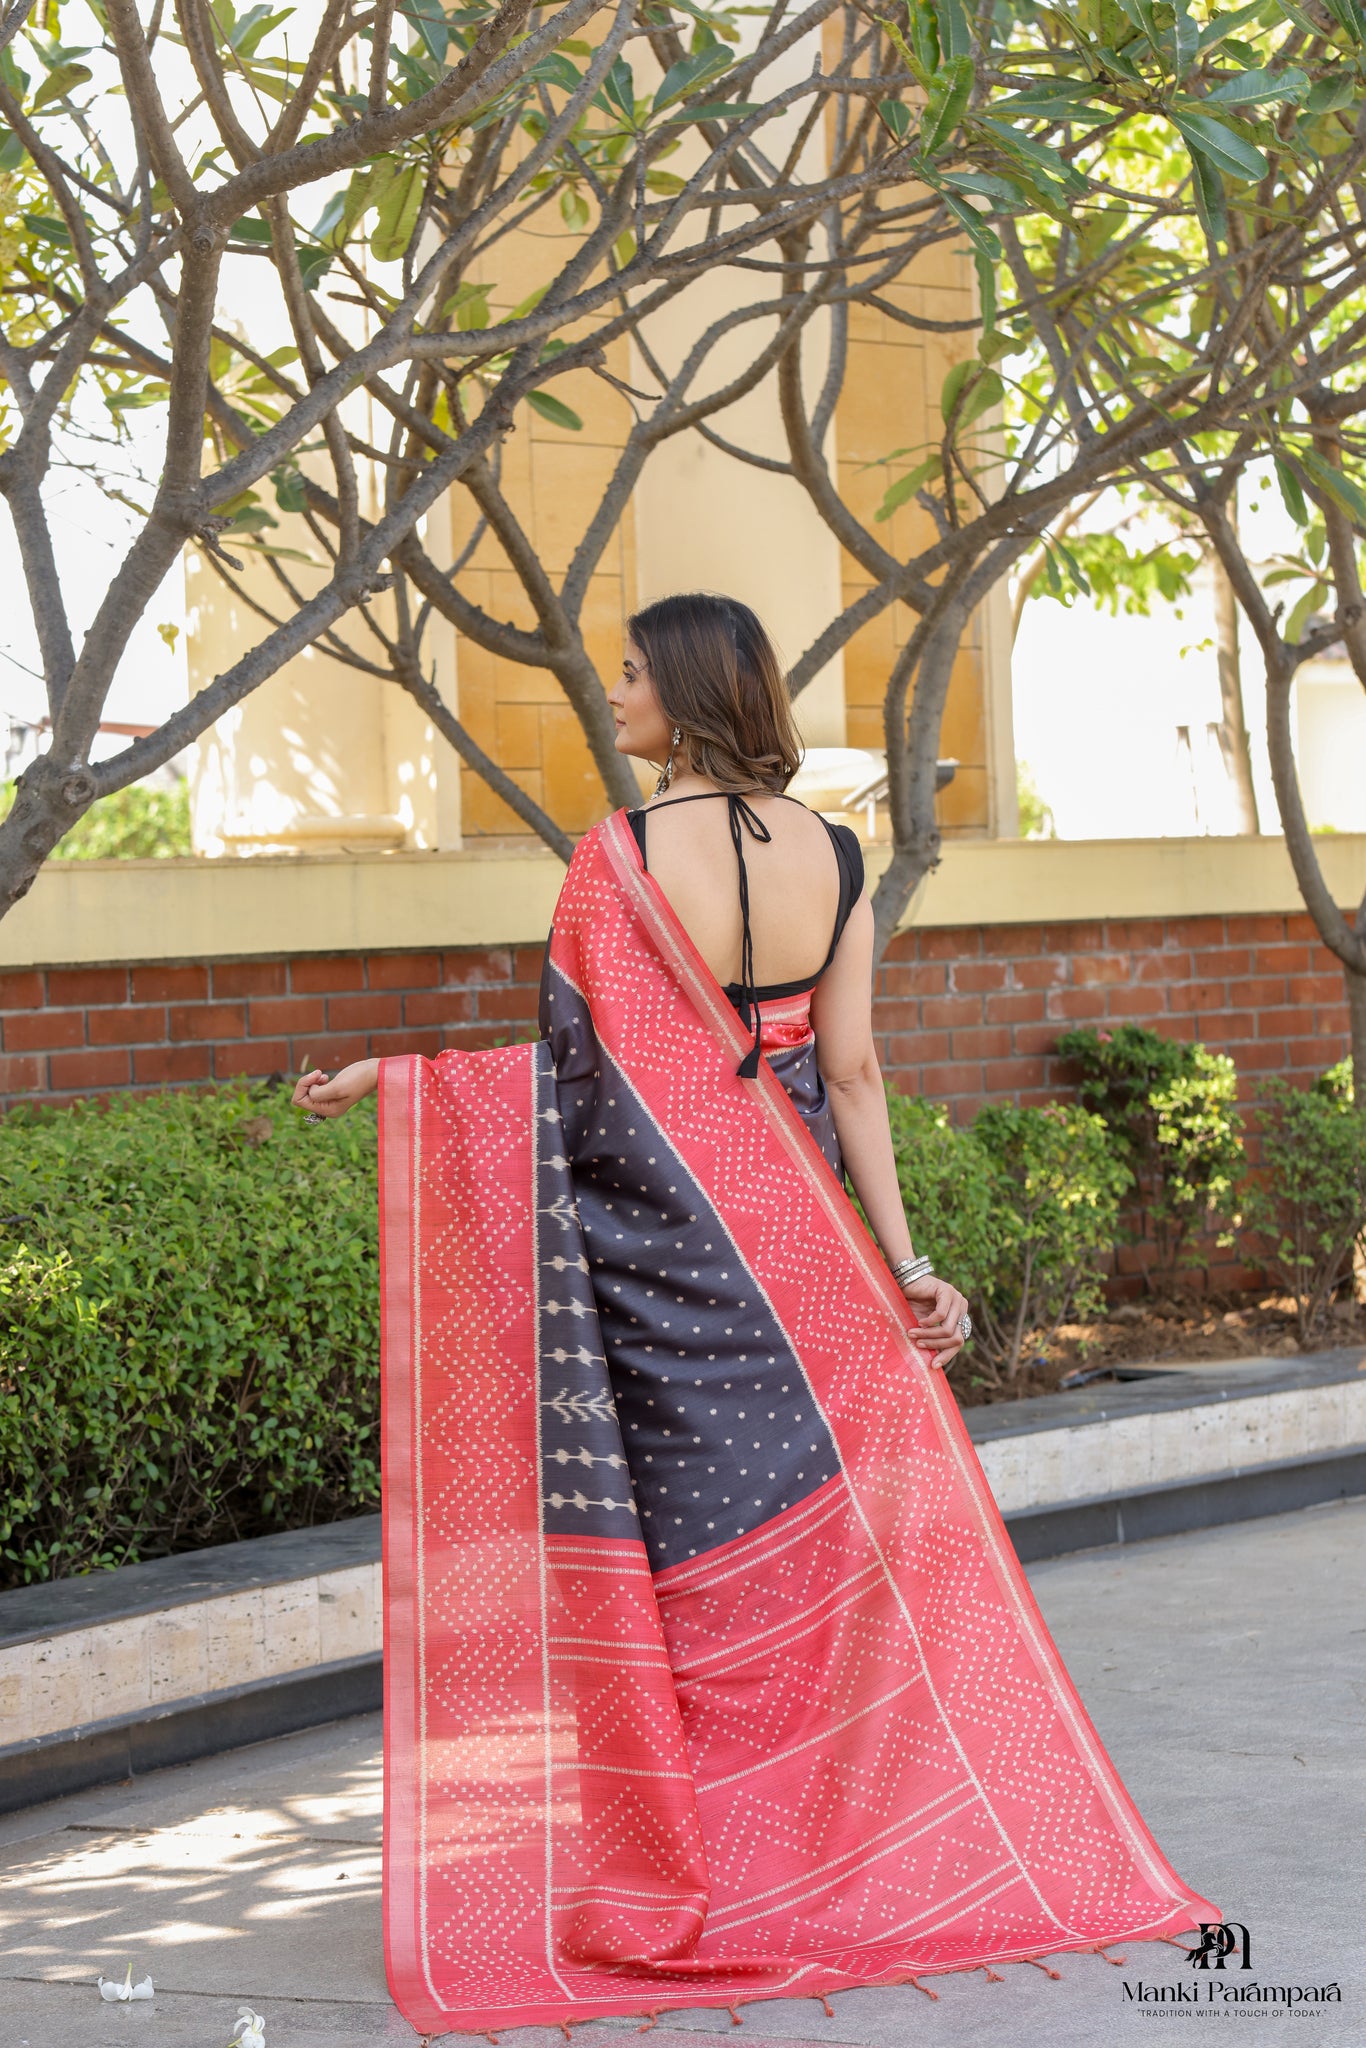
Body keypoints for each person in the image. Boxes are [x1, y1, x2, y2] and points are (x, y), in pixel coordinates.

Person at [293, 594, 1216, 2038]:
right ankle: (814, 1856)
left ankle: (703, 1871)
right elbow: (850, 1074)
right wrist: (902, 1266)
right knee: (803, 1568)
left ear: (686, 694)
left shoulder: (615, 858)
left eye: (630, 676)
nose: (614, 697)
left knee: (677, 1572)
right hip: (801, 1256)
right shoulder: (836, 854)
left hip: (660, 1267)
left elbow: (574, 1083)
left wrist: (402, 1082)